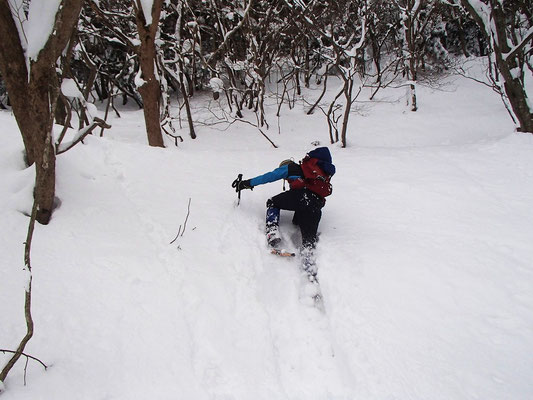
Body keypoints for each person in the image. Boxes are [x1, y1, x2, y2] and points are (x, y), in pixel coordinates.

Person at [233, 147, 335, 255]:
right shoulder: (317, 171)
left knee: (273, 202)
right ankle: (308, 258)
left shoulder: (289, 168)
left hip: (302, 196)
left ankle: (272, 232)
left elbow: (267, 177)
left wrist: (246, 183)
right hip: (316, 204)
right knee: (308, 239)